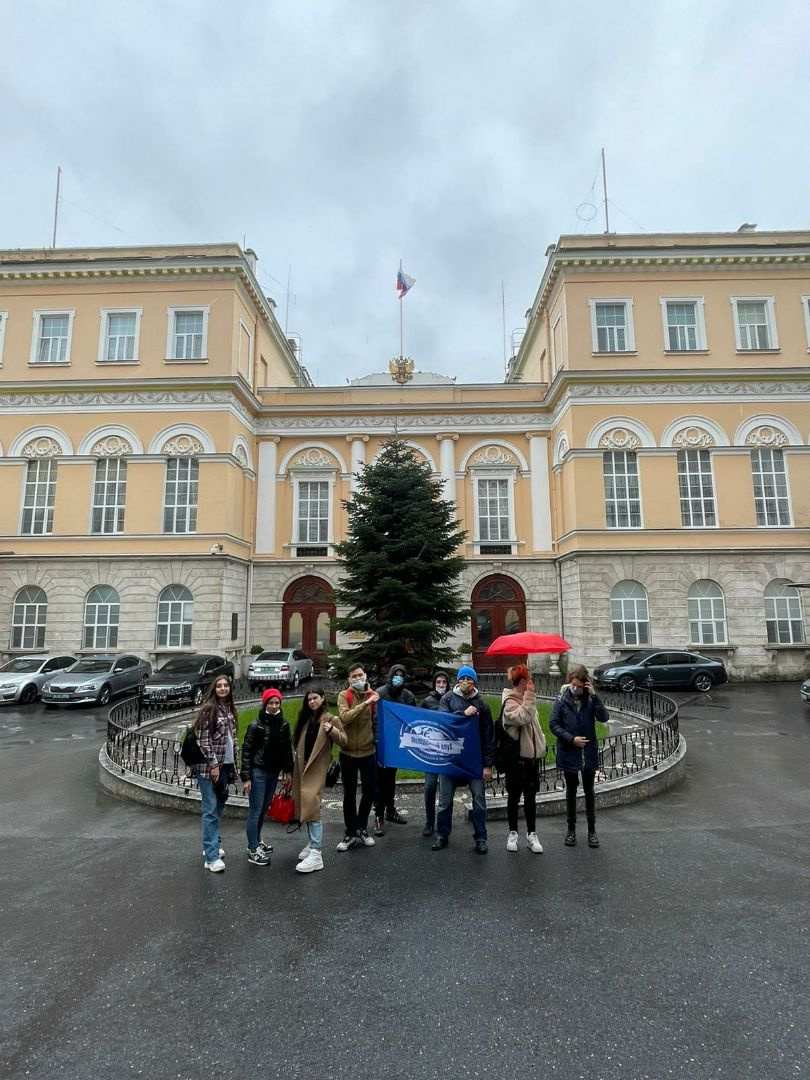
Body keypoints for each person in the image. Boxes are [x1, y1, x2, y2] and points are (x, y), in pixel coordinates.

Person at [433, 666, 494, 854]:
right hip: (451, 759)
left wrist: (487, 764)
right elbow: (443, 721)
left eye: (469, 678)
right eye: (462, 678)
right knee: (444, 801)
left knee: (479, 800)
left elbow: (488, 735)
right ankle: (442, 835)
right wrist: (462, 714)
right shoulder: (448, 698)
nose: (465, 681)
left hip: (474, 760)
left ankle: (481, 838)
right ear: (458, 681)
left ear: (474, 682)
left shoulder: (481, 704)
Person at [549, 664, 609, 848]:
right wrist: (571, 739)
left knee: (589, 792)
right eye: (573, 684)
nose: (575, 688)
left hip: (588, 753)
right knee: (571, 792)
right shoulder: (561, 699)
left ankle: (592, 830)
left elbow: (604, 717)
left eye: (579, 686)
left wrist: (594, 695)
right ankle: (571, 830)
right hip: (570, 752)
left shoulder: (590, 699)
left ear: (586, 685)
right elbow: (553, 724)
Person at [291, 687, 347, 873]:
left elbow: (344, 740)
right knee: (306, 806)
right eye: (309, 699)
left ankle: (316, 852)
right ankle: (311, 844)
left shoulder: (330, 719)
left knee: (312, 807)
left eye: (315, 698)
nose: (312, 702)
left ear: (323, 699)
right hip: (302, 769)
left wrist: (331, 731)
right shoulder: (307, 720)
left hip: (316, 770)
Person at [240, 688, 293, 866]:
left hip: (273, 771)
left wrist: (288, 772)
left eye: (277, 702)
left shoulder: (284, 724)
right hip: (258, 771)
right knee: (255, 810)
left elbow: (286, 749)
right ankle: (253, 848)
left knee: (263, 809)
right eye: (271, 702)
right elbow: (246, 751)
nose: (274, 706)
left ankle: (257, 840)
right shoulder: (256, 725)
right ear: (265, 704)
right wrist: (246, 777)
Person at [194, 675, 238, 873]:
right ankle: (211, 857)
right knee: (210, 809)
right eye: (219, 686)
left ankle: (211, 843)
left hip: (226, 765)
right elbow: (203, 741)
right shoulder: (209, 709)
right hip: (209, 768)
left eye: (225, 685)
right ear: (214, 689)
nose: (222, 688)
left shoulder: (228, 708)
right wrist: (213, 765)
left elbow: (231, 740)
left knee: (218, 806)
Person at [500, 664, 546, 853]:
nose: (532, 683)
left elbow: (535, 724)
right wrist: (529, 697)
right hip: (516, 760)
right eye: (530, 680)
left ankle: (532, 834)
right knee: (514, 797)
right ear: (522, 682)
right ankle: (513, 833)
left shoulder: (528, 699)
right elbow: (523, 718)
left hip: (532, 760)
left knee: (530, 798)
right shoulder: (509, 701)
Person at [335, 662, 379, 852]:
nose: (358, 678)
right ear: (349, 679)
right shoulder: (345, 696)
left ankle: (361, 828)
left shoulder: (374, 696)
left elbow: (377, 722)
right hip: (348, 753)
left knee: (369, 792)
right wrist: (366, 703)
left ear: (365, 675)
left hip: (368, 752)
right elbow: (345, 718)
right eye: (354, 676)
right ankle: (350, 832)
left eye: (360, 675)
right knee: (349, 794)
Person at [372, 662, 415, 835]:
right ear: (390, 676)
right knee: (379, 781)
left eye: (402, 675)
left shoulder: (408, 696)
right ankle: (378, 815)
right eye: (396, 674)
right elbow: (373, 718)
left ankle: (391, 810)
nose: (399, 678)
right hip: (381, 743)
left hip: (397, 744)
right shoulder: (380, 693)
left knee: (390, 779)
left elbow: (413, 719)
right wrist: (377, 740)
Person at [419, 669, 450, 836]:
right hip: (430, 752)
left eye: (444, 682)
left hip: (447, 752)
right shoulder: (427, 701)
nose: (441, 685)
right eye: (438, 682)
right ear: (434, 684)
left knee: (445, 790)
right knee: (430, 787)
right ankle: (429, 821)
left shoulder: (452, 699)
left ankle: (443, 823)